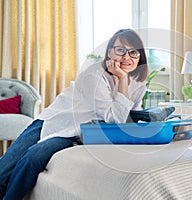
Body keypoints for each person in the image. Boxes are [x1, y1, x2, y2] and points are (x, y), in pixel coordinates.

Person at [0, 29, 148, 199]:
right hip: (58, 121)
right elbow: (115, 119)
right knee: (4, 169)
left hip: (83, 131)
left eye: (133, 52)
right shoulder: (94, 74)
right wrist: (122, 79)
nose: (127, 57)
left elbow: (130, 118)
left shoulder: (138, 83)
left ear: (140, 56)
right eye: (120, 50)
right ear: (109, 52)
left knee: (34, 156)